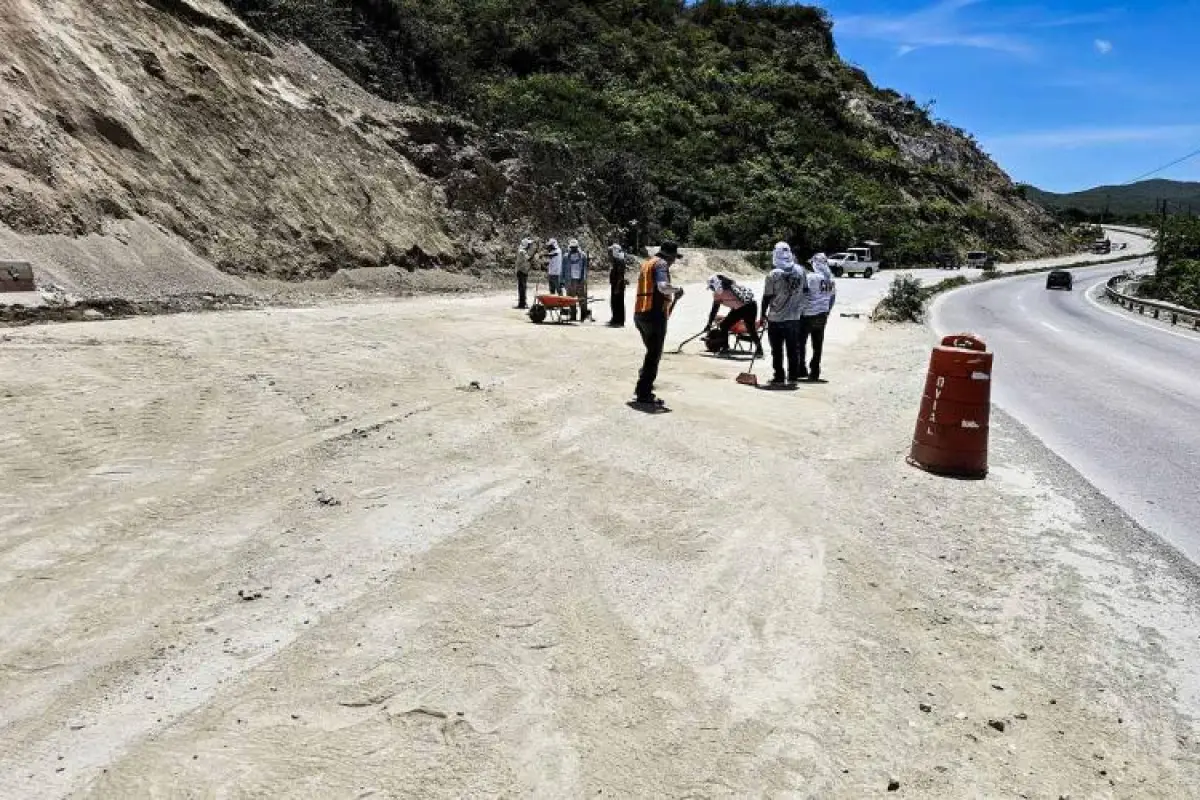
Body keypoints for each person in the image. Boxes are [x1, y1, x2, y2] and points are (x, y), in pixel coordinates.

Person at [633, 241, 685, 405]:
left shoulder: (647, 263)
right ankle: (644, 392)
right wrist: (677, 290)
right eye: (674, 258)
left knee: (651, 352)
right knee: (654, 355)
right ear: (669, 256)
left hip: (640, 313)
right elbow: (662, 287)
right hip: (653, 315)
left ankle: (642, 384)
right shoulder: (661, 264)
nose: (674, 262)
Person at [759, 241, 808, 385]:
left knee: (777, 350)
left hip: (775, 318)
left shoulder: (773, 274)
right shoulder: (800, 271)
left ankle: (779, 376)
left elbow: (767, 297)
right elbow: (805, 291)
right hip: (794, 318)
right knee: (793, 349)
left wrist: (762, 315)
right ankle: (793, 377)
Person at [705, 274, 763, 356]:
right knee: (724, 325)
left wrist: (709, 323)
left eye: (712, 287)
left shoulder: (731, 287)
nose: (712, 289)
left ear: (717, 284)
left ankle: (759, 349)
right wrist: (709, 323)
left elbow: (745, 298)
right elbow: (714, 310)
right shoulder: (717, 294)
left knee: (751, 328)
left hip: (749, 306)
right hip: (739, 308)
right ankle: (725, 347)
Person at [799, 255, 836, 381]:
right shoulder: (830, 280)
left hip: (807, 315)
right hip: (822, 316)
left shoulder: (811, 277)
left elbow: (803, 293)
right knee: (817, 345)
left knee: (800, 343)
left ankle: (801, 369)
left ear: (815, 264)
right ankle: (815, 371)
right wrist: (827, 311)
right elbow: (832, 298)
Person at [563, 238, 591, 321]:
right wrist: (562, 281)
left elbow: (585, 269)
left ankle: (583, 315)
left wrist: (584, 279)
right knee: (571, 299)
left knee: (582, 298)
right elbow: (563, 269)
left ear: (577, 246)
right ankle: (573, 315)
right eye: (572, 247)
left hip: (580, 280)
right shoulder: (566, 256)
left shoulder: (583, 256)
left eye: (574, 247)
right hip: (570, 280)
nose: (573, 249)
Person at [608, 242, 628, 327]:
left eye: (611, 251)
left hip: (618, 285)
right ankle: (615, 318)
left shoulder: (619, 260)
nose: (609, 254)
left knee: (618, 303)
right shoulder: (616, 260)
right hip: (615, 284)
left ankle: (619, 321)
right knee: (614, 302)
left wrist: (617, 287)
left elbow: (620, 276)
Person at [515, 237, 534, 309]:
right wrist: (534, 255)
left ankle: (522, 302)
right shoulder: (522, 251)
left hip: (523, 271)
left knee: (523, 287)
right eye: (529, 244)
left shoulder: (523, 250)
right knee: (522, 288)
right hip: (521, 271)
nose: (530, 245)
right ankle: (522, 303)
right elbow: (528, 258)